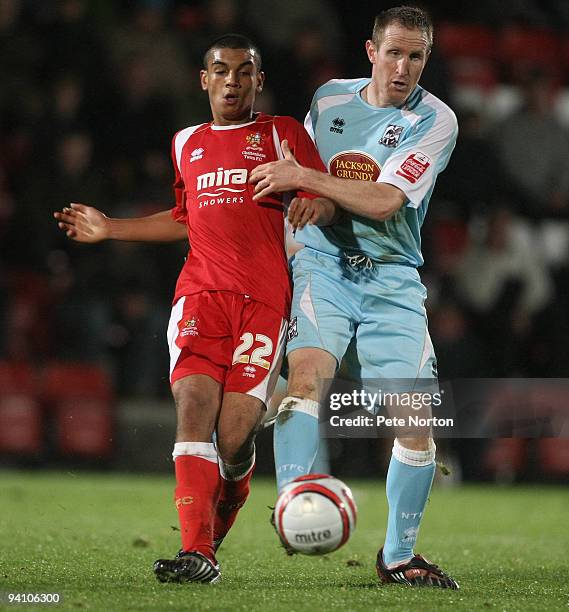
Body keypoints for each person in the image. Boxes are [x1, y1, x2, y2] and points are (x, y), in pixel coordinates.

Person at [54, 33, 336, 584]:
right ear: (203, 80)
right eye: (221, 71)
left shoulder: (283, 134)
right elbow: (187, 215)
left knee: (234, 439)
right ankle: (198, 553)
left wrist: (311, 198)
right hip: (199, 297)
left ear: (259, 78)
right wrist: (111, 227)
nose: (233, 80)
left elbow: (323, 196)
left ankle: (226, 502)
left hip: (262, 303)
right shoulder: (186, 141)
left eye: (244, 71)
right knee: (192, 410)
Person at [250, 7, 460, 589]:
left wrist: (305, 182)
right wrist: (303, 220)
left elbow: (385, 201)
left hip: (392, 278)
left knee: (415, 425)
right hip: (326, 265)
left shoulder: (435, 121)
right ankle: (297, 501)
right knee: (306, 379)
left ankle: (398, 557)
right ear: (371, 51)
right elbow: (319, 189)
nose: (403, 68)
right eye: (393, 53)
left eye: (416, 57)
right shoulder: (329, 102)